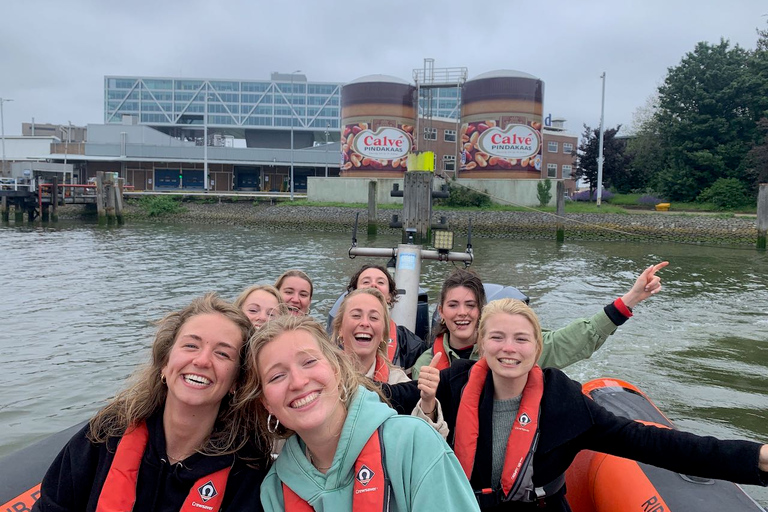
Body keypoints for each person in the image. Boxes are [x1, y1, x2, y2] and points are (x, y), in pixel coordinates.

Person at [399, 298, 768, 510]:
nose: (508, 348)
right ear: (482, 343)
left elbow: (655, 443)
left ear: (538, 348)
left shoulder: (566, 402)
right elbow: (385, 396)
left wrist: (757, 458)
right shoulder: (449, 384)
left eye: (521, 339)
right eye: (497, 337)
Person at [33, 294, 268, 512]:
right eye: (191, 345)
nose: (202, 360)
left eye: (222, 354)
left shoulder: (246, 469)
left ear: (236, 381)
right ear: (165, 362)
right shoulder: (106, 434)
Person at [243, 315, 480, 512]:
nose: (298, 381)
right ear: (266, 403)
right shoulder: (275, 490)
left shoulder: (414, 445)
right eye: (276, 376)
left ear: (336, 368)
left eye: (309, 362)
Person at [410, 262, 668, 379]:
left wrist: (631, 299)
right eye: (453, 305)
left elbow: (573, 339)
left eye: (470, 305)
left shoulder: (514, 349)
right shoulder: (426, 364)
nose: (462, 313)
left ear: (482, 311)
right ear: (442, 312)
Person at [345, 264, 427, 370]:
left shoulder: (411, 345)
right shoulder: (332, 345)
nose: (373, 285)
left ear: (389, 296)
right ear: (354, 292)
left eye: (380, 282)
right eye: (366, 282)